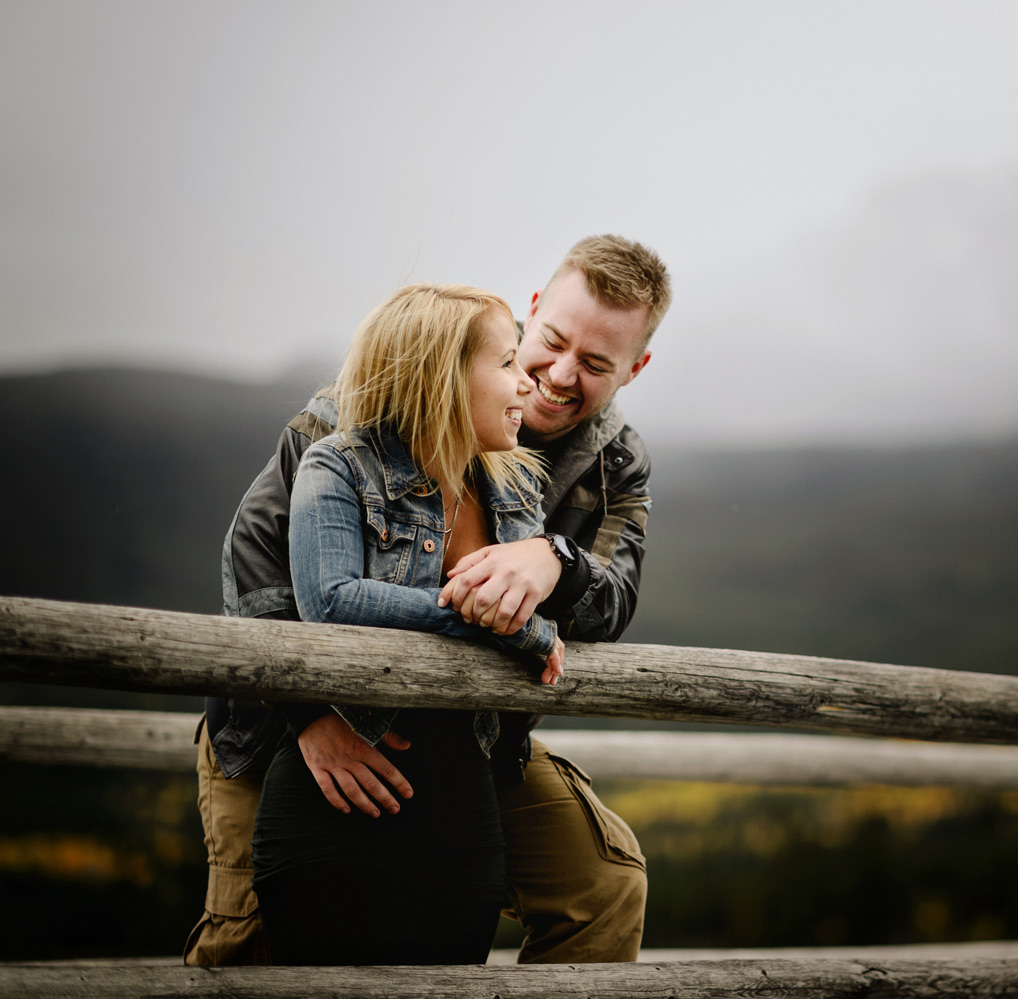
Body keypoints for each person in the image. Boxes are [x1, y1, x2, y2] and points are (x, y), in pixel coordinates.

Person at [185, 235, 670, 966]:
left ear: (636, 367)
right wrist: (312, 712)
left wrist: (553, 560)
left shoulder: (615, 462)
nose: (558, 375)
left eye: (597, 363)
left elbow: (613, 599)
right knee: (248, 940)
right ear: (532, 311)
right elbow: (253, 563)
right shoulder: (358, 409)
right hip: (283, 726)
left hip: (467, 737)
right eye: (550, 342)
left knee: (601, 884)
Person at [253, 282, 563, 964]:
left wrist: (526, 609)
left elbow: (535, 614)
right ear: (444, 375)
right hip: (333, 804)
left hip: (461, 812)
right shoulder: (337, 464)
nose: (527, 380)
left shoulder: (516, 487)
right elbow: (330, 602)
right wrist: (494, 620)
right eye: (508, 362)